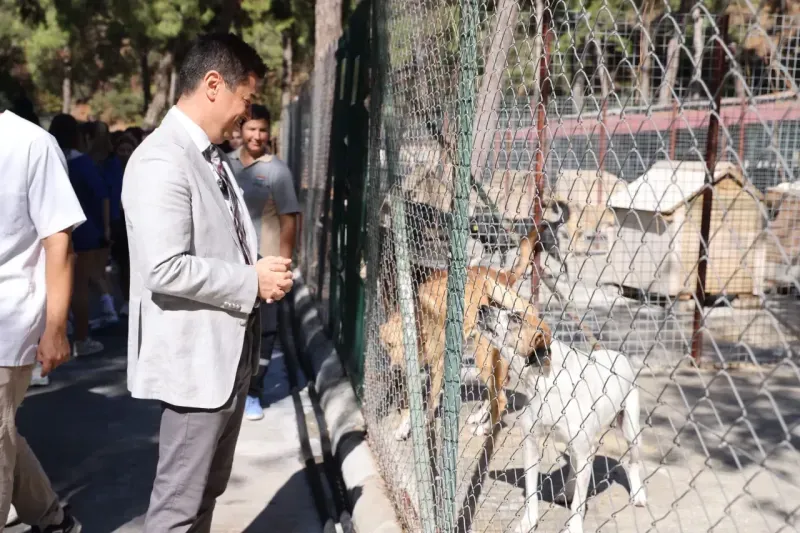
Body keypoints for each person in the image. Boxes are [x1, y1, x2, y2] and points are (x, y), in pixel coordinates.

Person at [121, 33, 294, 532]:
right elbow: (164, 266)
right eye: (244, 99)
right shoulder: (162, 160)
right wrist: (249, 279)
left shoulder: (208, 156)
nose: (246, 114)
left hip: (227, 358)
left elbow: (219, 243)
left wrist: (260, 269)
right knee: (177, 508)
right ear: (214, 85)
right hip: (196, 368)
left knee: (204, 496)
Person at [0, 108, 85, 532]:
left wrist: (55, 329)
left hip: (7, 326)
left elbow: (59, 240)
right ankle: (52, 520)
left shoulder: (31, 143)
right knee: (3, 434)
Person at [228, 104, 300, 421]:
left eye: (262, 129)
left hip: (267, 264)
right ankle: (230, 388)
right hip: (232, 265)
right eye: (251, 129)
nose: (257, 135)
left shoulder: (276, 171)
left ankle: (254, 392)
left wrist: (284, 263)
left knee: (266, 330)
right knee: (233, 327)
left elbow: (289, 220)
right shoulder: (224, 165)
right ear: (240, 131)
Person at [48, 115, 110, 357]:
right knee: (80, 286)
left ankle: (56, 336)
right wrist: (105, 229)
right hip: (83, 231)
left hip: (51, 229)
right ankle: (81, 339)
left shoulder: (49, 157)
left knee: (52, 287)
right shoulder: (82, 162)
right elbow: (101, 194)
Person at [85, 121, 129, 317]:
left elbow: (108, 193)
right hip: (101, 219)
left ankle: (113, 305)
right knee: (99, 268)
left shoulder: (109, 163)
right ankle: (108, 306)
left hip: (110, 219)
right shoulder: (100, 162)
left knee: (104, 267)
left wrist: (108, 225)